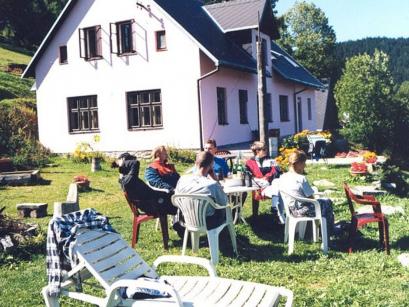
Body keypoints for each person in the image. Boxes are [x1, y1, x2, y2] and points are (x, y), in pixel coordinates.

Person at [279, 150, 335, 237]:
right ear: (298, 163)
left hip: (291, 209)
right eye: (303, 163)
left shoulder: (283, 177)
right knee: (327, 203)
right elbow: (311, 198)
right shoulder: (301, 178)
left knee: (324, 203)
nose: (305, 165)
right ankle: (328, 232)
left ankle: (322, 230)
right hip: (302, 210)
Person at [112, 152, 177, 216]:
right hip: (152, 205)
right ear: (127, 164)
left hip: (150, 203)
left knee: (174, 198)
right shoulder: (130, 179)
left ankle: (179, 222)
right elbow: (136, 163)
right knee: (178, 200)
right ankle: (179, 223)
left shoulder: (125, 179)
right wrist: (122, 163)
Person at [176, 151, 228, 230]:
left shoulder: (182, 179)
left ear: (196, 163)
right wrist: (214, 178)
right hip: (208, 222)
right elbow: (224, 202)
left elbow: (177, 200)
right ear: (211, 165)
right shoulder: (211, 185)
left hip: (186, 218)